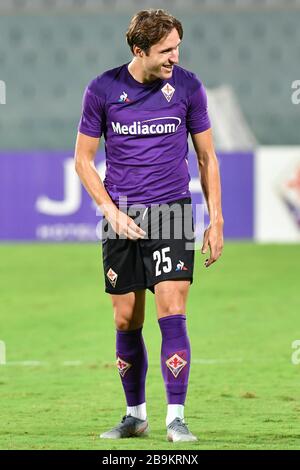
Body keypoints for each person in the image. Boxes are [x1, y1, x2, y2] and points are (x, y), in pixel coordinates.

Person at [75, 9, 223, 442]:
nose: (174, 57)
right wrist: (110, 211)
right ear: (139, 50)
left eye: (177, 47)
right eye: (165, 50)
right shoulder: (102, 89)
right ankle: (135, 415)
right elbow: (83, 160)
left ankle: (176, 416)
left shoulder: (188, 88)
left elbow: (207, 157)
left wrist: (216, 219)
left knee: (172, 311)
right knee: (125, 320)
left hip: (173, 212)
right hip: (122, 214)